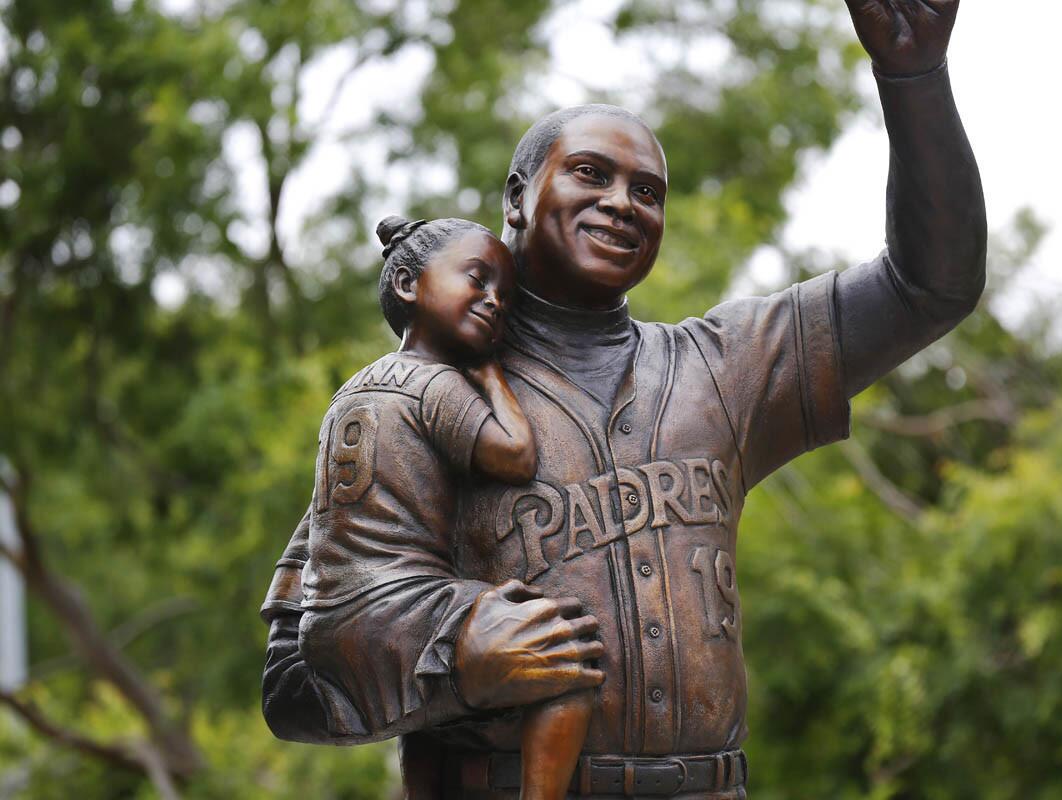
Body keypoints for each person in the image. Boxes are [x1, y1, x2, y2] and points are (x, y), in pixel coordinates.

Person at [260, 1, 986, 796]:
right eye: (590, 174)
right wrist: (459, 640)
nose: (622, 203)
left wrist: (913, 77)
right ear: (516, 197)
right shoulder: (419, 393)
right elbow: (302, 674)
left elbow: (931, 283)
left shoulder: (723, 369)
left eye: (648, 191)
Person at [293, 215, 596, 800]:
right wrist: (490, 378)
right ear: (408, 284)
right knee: (563, 658)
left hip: (327, 619)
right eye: (477, 280)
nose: (494, 302)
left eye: (504, 297)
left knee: (437, 707)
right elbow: (515, 454)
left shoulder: (352, 389)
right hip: (396, 606)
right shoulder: (434, 383)